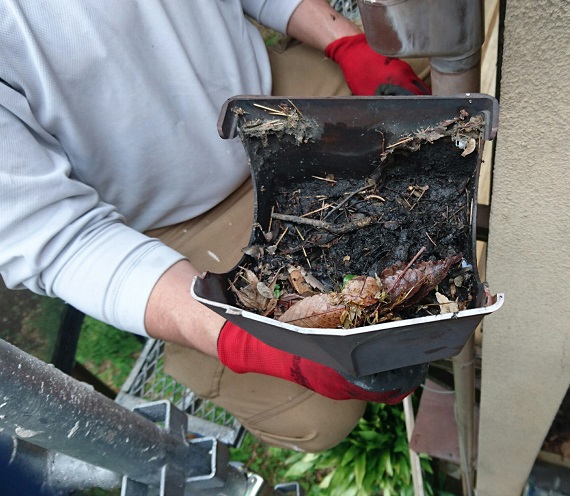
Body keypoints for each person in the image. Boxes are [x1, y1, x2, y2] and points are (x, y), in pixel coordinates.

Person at [0, 0, 430, 452]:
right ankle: (204, 346)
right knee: (314, 416)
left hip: (273, 100)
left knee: (431, 47)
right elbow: (58, 243)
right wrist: (251, 344)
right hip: (176, 219)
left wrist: (345, 42)